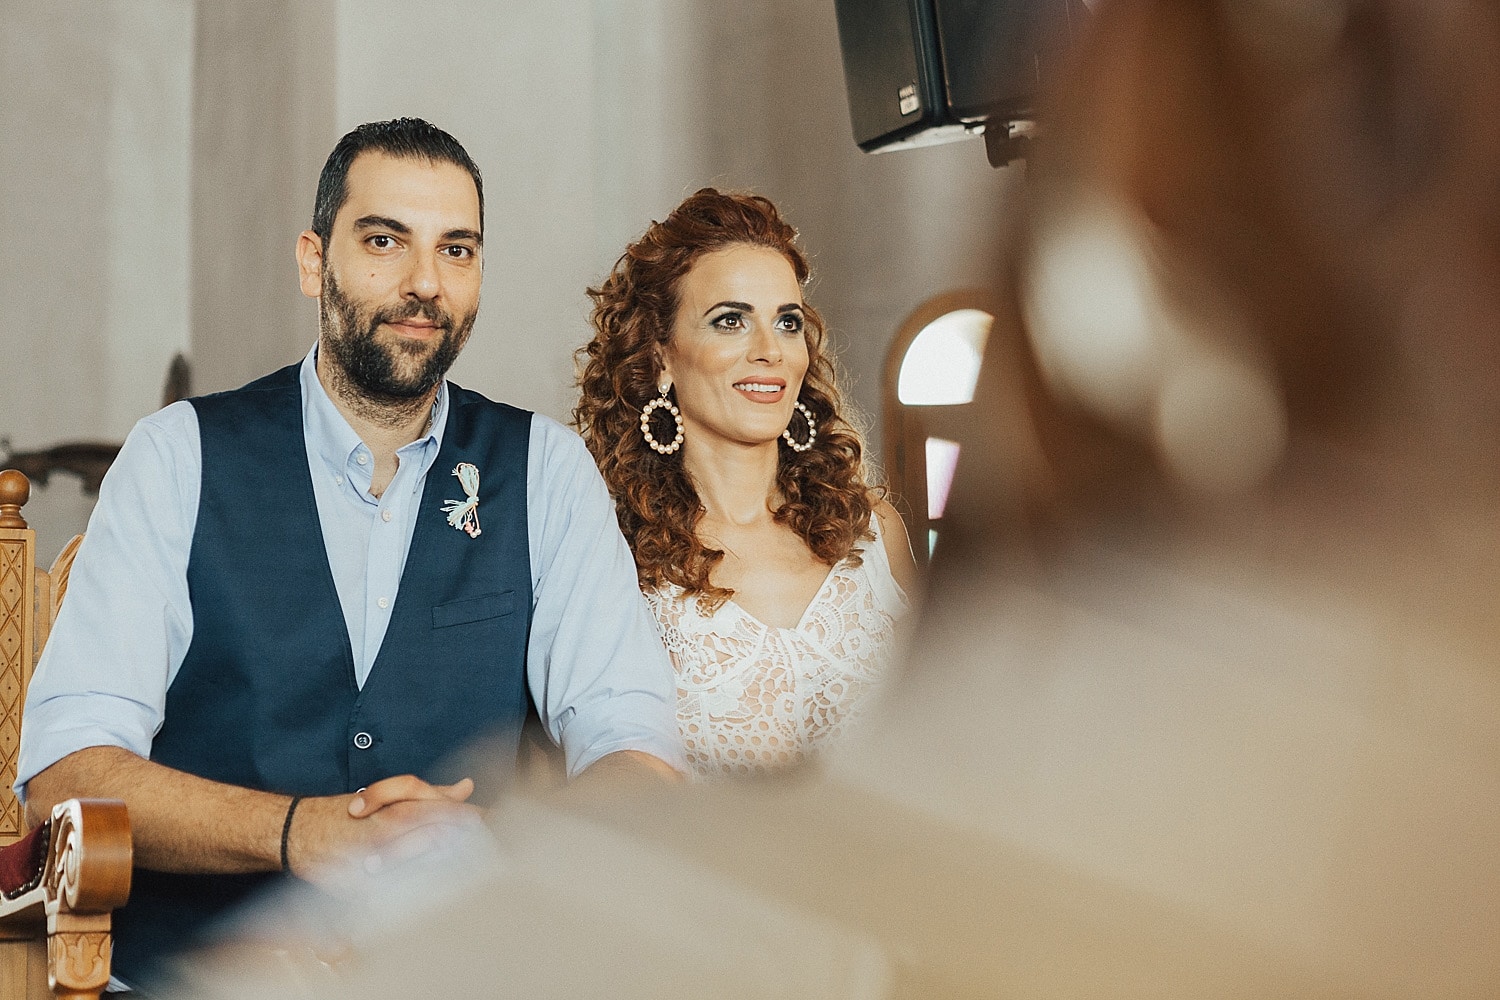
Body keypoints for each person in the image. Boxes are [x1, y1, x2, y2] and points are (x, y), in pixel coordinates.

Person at [14, 117, 685, 988]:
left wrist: (485, 849)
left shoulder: (545, 473)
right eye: (384, 241)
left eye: (456, 250)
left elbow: (638, 755)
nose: (424, 283)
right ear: (313, 261)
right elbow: (66, 775)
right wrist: (305, 832)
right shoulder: (177, 455)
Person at [574, 189, 917, 780]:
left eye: (787, 322)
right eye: (730, 321)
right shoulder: (613, 555)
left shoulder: (873, 530)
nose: (769, 351)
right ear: (660, 357)